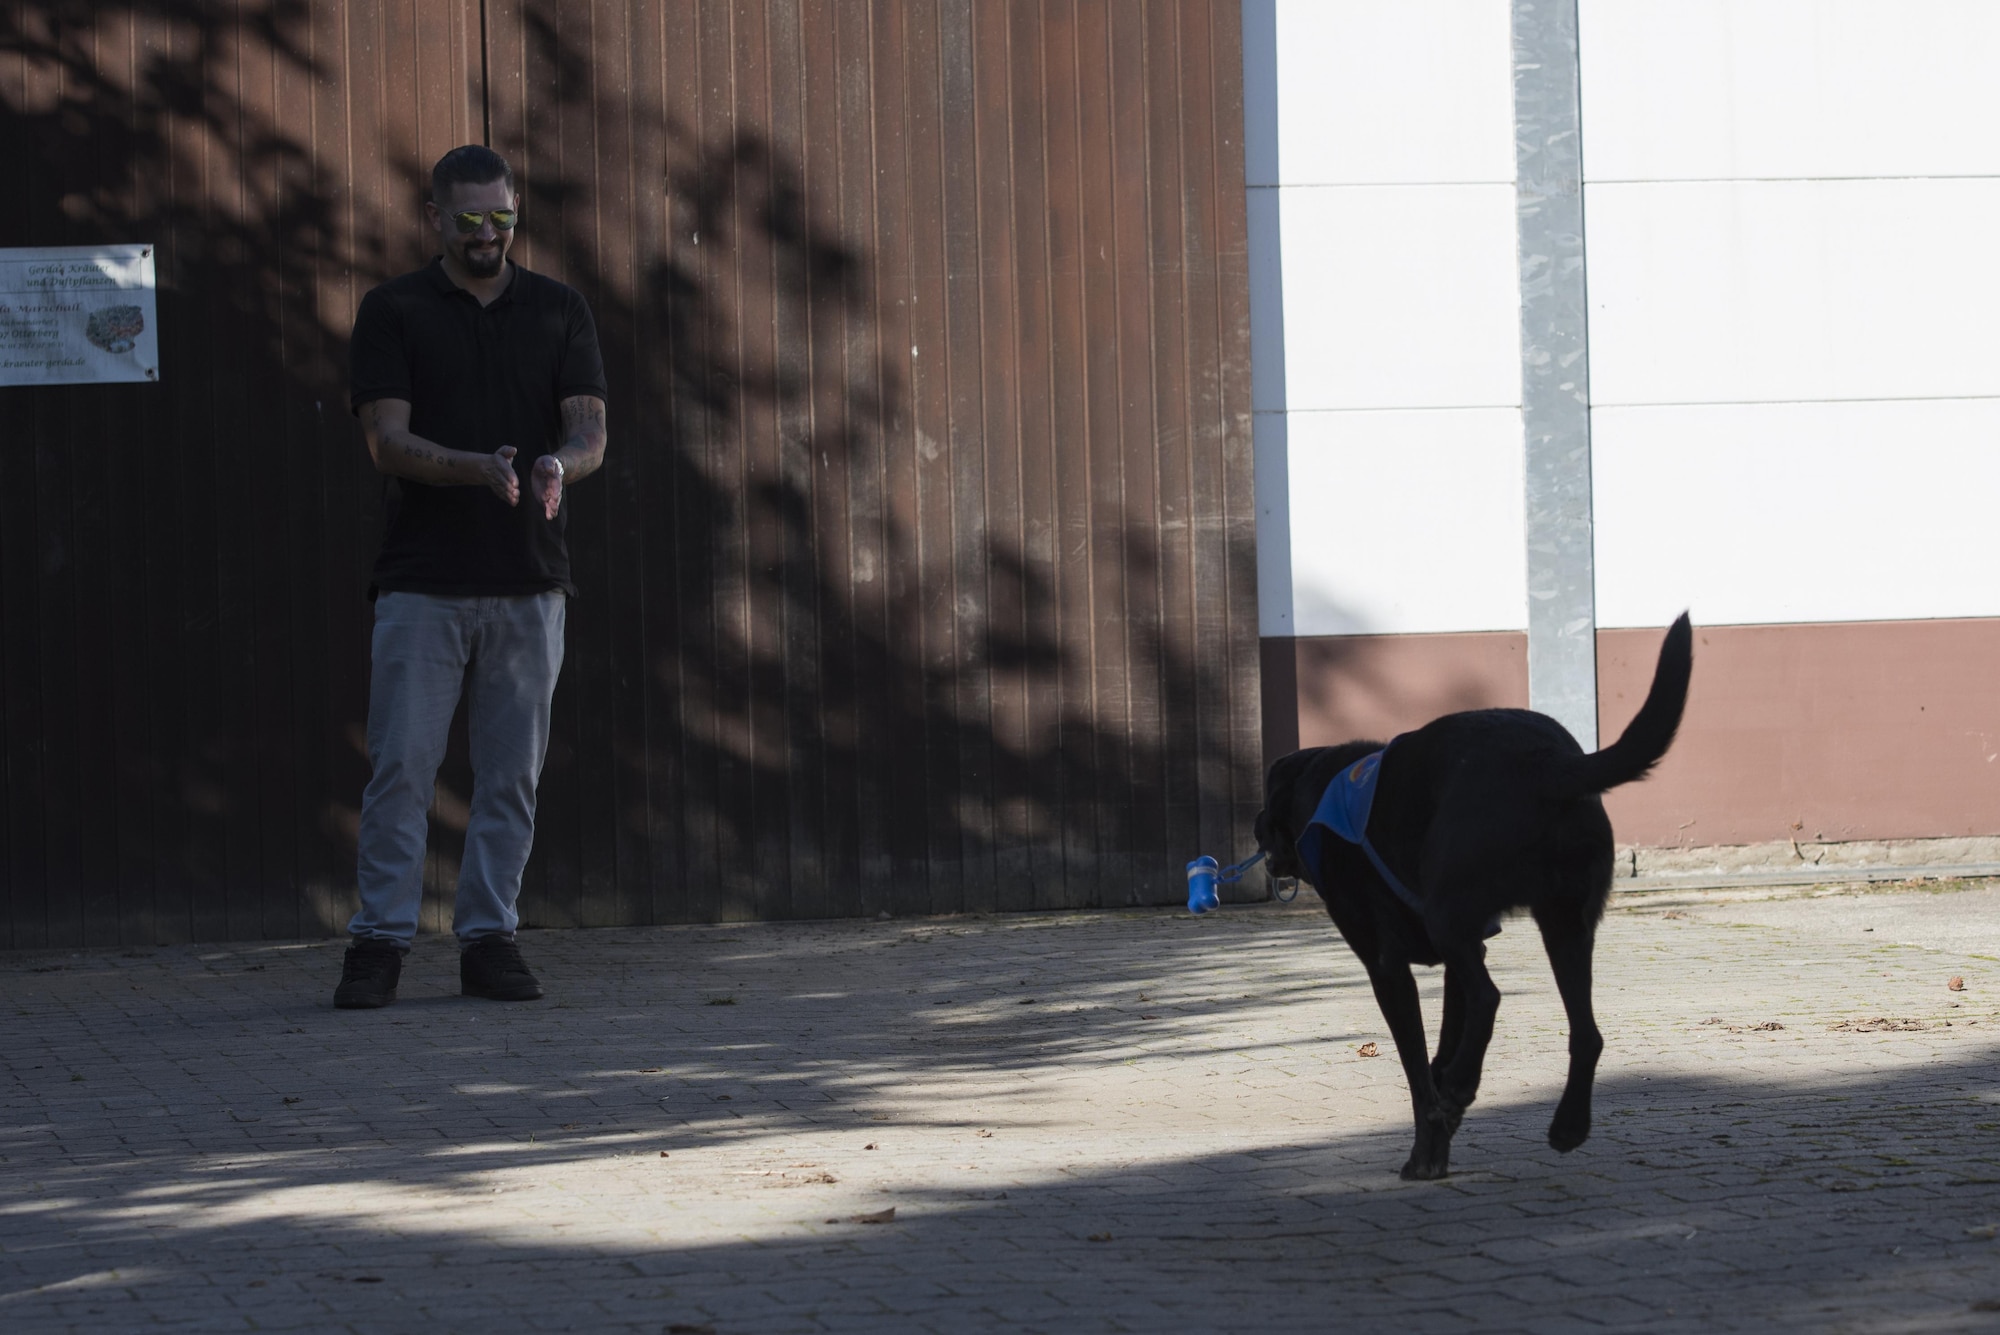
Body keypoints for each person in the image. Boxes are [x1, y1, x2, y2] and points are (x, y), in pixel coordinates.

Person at [335, 144, 608, 1009]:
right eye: (469, 220)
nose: (488, 234)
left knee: (510, 776)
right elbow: (385, 441)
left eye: (503, 217)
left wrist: (559, 466)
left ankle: (489, 938)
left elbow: (591, 430)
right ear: (435, 219)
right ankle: (378, 943)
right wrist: (471, 467)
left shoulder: (560, 309)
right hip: (422, 583)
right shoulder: (394, 310)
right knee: (403, 770)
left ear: (517, 212)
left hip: (530, 583)